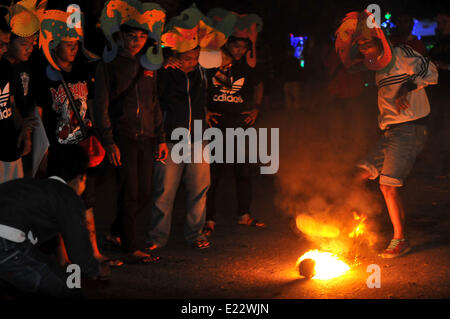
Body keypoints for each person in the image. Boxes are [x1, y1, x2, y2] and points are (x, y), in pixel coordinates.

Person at [335, 10, 438, 258]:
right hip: (390, 133)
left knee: (388, 187)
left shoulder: (401, 53)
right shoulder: (376, 66)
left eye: (366, 44)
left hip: (411, 128)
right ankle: (351, 226)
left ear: (380, 41)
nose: (362, 49)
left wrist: (407, 86)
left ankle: (400, 239)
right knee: (357, 175)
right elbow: (350, 66)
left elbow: (431, 72)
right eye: (359, 45)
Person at [35, 8, 121, 267]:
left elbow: (93, 103)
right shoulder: (45, 77)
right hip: (59, 149)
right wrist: (43, 149)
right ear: (55, 46)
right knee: (61, 205)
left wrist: (98, 133)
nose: (73, 49)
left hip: (83, 147)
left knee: (87, 202)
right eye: (67, 45)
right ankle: (63, 257)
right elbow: (39, 113)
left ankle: (93, 253)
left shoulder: (83, 72)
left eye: (75, 44)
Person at [94, 0, 167, 263]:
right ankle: (130, 247)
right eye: (131, 36)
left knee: (146, 191)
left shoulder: (149, 65)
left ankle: (116, 232)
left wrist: (160, 138)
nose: (136, 41)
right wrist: (108, 141)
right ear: (120, 37)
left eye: (141, 36)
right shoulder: (108, 65)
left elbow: (154, 102)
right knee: (130, 191)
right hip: (123, 137)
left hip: (147, 137)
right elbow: (100, 106)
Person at [146, 6, 223, 250]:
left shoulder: (202, 71)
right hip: (171, 139)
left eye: (195, 57)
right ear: (176, 56)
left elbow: (223, 55)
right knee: (164, 193)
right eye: (187, 59)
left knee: (199, 191)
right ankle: (157, 238)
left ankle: (195, 234)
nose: (191, 63)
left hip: (199, 139)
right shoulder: (166, 72)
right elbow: (157, 100)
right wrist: (165, 68)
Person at [0, 144, 110, 297]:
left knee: (50, 270)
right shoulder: (67, 197)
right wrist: (94, 269)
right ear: (80, 178)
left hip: (12, 244)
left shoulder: (30, 185)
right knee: (65, 288)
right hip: (6, 245)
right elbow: (78, 249)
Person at [203, 9, 265, 236]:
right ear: (227, 43)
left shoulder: (248, 66)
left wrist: (256, 108)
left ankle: (244, 215)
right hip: (216, 125)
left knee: (244, 171)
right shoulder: (213, 61)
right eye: (235, 45)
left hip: (240, 125)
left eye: (243, 47)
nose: (239, 50)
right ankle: (208, 219)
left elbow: (258, 84)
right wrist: (205, 110)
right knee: (215, 173)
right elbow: (199, 85)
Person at [4, 0, 47, 178]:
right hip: (8, 138)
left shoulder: (29, 65)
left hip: (26, 136)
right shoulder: (4, 68)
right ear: (8, 42)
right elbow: (9, 102)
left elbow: (33, 98)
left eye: (33, 42)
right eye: (24, 43)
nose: (30, 48)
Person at [0, 8, 31, 183]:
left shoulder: (4, 67)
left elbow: (10, 104)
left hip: (11, 149)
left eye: (6, 43)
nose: (4, 49)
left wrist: (24, 132)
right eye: (0, 44)